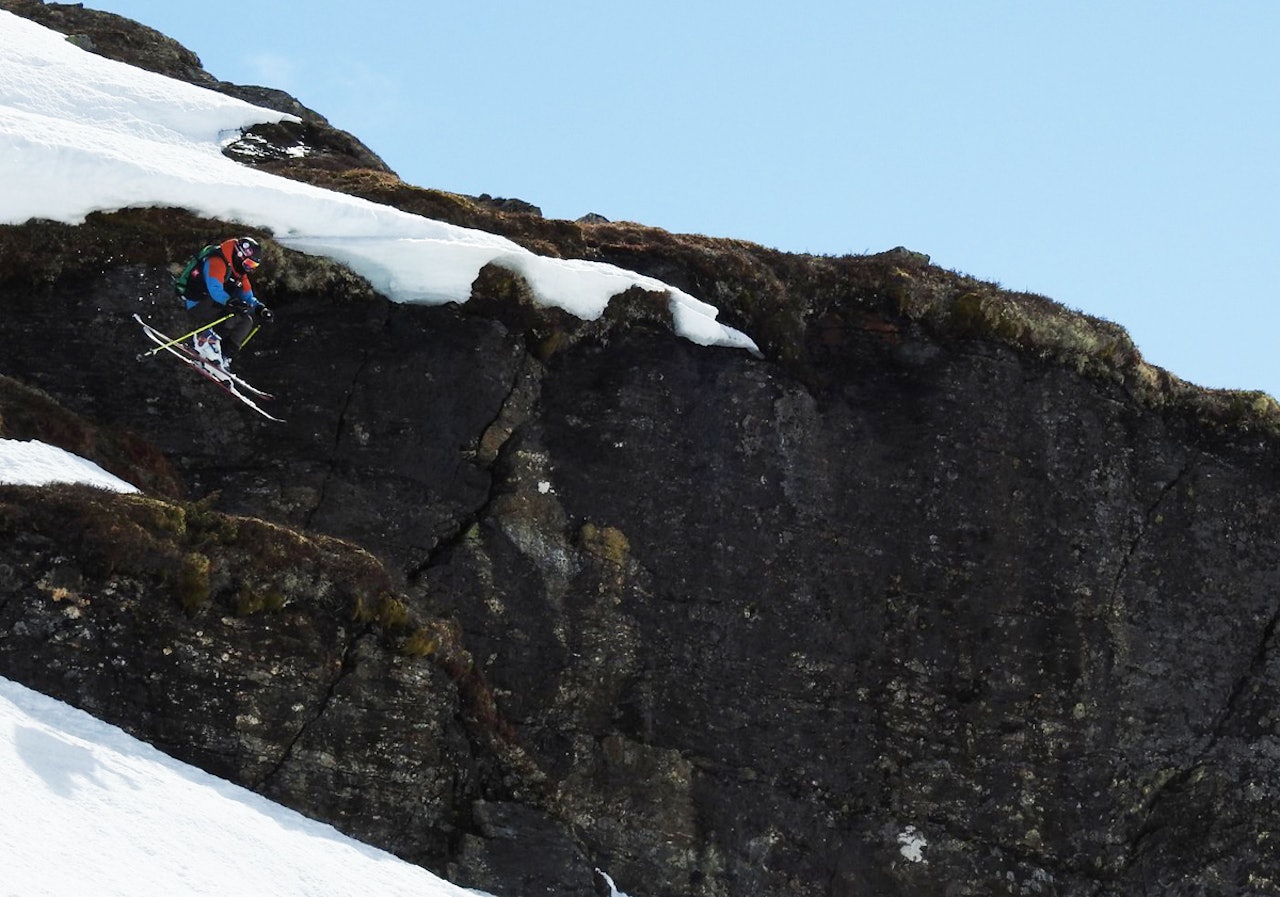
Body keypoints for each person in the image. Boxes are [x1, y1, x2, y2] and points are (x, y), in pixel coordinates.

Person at [183, 236, 274, 370]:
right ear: (239, 255)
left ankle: (224, 355)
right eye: (248, 264)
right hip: (197, 303)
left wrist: (260, 309)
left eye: (253, 266)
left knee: (247, 320)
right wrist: (231, 303)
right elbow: (214, 289)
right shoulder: (216, 261)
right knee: (235, 313)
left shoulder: (239, 273)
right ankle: (205, 342)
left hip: (215, 306)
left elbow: (248, 297)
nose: (249, 269)